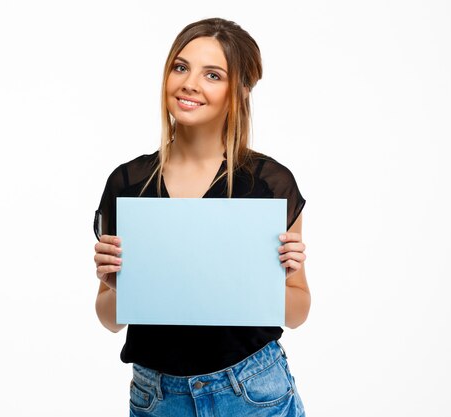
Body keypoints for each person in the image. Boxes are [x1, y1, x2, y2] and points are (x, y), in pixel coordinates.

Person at [93, 17, 309, 417]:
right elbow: (108, 318)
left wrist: (277, 274)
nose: (190, 83)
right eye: (181, 67)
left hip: (252, 391)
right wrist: (118, 286)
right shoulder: (128, 182)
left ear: (238, 91)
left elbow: (297, 312)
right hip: (157, 397)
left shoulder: (268, 183)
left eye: (213, 74)